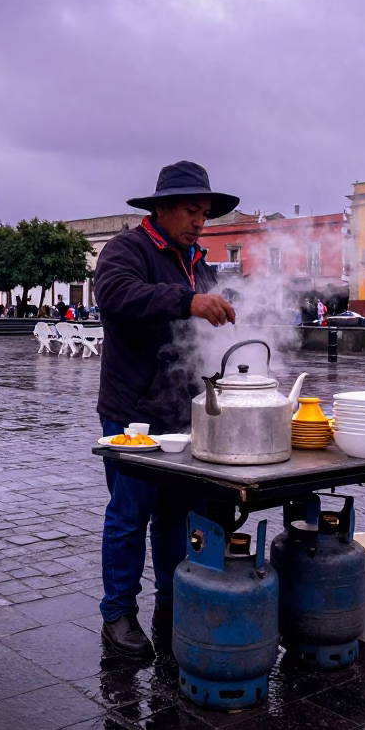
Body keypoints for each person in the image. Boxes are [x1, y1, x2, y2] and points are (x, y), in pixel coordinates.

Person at [95, 160, 238, 658]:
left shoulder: (196, 259)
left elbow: (206, 310)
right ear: (161, 209)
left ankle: (173, 599)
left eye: (205, 213)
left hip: (183, 409)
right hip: (132, 408)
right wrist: (189, 302)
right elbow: (116, 297)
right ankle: (118, 614)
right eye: (192, 211)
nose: (201, 221)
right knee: (129, 514)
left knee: (178, 514)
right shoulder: (126, 250)